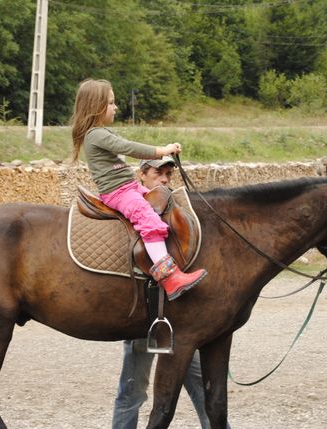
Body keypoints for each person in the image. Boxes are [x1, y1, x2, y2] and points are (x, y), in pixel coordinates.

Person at [111, 156, 229, 429]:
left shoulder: (178, 216)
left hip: (181, 323)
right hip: (144, 322)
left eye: (168, 174)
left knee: (202, 388)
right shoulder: (130, 213)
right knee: (132, 392)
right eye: (157, 173)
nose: (164, 179)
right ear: (142, 175)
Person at [70, 78, 207, 301]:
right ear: (96, 107)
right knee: (149, 220)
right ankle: (170, 278)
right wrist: (163, 150)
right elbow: (129, 147)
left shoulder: (102, 132)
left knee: (165, 200)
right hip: (119, 193)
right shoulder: (95, 135)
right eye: (111, 103)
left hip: (130, 187)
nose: (116, 107)